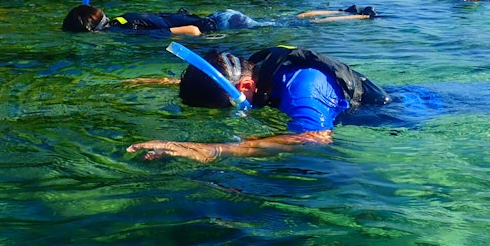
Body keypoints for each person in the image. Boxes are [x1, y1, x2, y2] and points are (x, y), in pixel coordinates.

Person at [126, 46, 389, 162]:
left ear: (246, 88)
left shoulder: (302, 90)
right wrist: (164, 81)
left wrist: (213, 150)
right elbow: (220, 79)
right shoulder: (255, 73)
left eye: (227, 107)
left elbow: (315, 138)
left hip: (396, 115)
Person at [62, 4, 264, 36]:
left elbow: (192, 30)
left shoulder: (127, 30)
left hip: (223, 23)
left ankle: (297, 18)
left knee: (273, 25)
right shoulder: (121, 20)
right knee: (272, 23)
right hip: (221, 16)